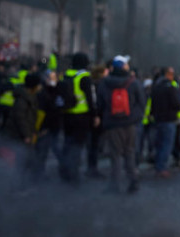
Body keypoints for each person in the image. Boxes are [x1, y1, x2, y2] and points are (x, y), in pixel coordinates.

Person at [96, 55, 146, 194]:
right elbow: (142, 103)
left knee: (115, 155)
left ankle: (114, 185)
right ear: (124, 67)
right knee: (129, 152)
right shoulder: (133, 82)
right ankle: (133, 181)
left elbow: (100, 104)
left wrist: (103, 118)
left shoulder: (104, 83)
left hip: (112, 124)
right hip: (130, 124)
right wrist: (135, 118)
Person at [61, 53, 98, 185]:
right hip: (81, 116)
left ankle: (64, 170)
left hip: (66, 114)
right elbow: (90, 99)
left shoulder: (67, 75)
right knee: (77, 146)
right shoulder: (84, 77)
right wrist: (95, 115)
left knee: (67, 143)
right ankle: (73, 173)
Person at [3, 72, 43, 194]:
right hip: (20, 136)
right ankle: (16, 187)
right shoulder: (22, 100)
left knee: (26, 161)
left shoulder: (30, 97)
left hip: (27, 134)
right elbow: (21, 119)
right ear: (34, 86)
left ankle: (22, 184)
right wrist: (26, 135)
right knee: (21, 162)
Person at [151, 66, 180, 178]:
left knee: (159, 144)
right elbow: (178, 104)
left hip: (158, 119)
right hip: (169, 119)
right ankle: (162, 167)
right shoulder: (170, 88)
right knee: (167, 145)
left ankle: (158, 165)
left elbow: (152, 103)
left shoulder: (156, 86)